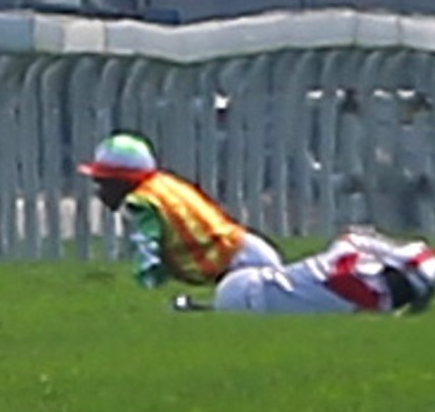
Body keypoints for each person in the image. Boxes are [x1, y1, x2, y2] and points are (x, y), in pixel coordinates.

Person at [78, 131, 283, 291]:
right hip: (246, 250)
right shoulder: (163, 185)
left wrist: (146, 282)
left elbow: (147, 246)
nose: (99, 191)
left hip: (238, 263)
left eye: (103, 183)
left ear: (122, 181)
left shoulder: (142, 202)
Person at [207, 227, 435, 314]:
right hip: (242, 293)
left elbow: (353, 237)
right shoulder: (370, 300)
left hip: (243, 287)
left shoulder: (348, 258)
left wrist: (386, 248)